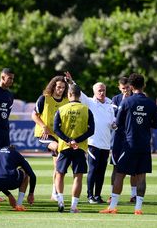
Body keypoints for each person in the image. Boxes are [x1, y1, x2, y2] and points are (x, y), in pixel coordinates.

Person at [100, 73, 157, 215]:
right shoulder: (151, 103)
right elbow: (155, 124)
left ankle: (112, 207)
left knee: (120, 174)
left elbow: (118, 123)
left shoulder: (126, 102)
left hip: (129, 144)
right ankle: (138, 209)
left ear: (131, 87)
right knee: (141, 176)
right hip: (144, 145)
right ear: (144, 85)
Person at [65, 72, 116, 204]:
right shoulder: (89, 102)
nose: (102, 92)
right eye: (99, 90)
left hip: (105, 144)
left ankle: (98, 195)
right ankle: (90, 196)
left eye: (104, 90)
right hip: (93, 142)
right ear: (94, 92)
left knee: (101, 171)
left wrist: (114, 125)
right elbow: (79, 93)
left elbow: (112, 122)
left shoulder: (110, 104)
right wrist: (71, 82)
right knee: (93, 170)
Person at [53, 84, 95, 213]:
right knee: (78, 176)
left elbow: (56, 129)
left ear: (69, 95)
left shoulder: (61, 109)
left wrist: (68, 140)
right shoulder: (86, 109)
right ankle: (73, 206)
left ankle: (60, 201)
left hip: (64, 147)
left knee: (59, 174)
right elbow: (91, 131)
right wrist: (76, 140)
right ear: (79, 95)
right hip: (80, 148)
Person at [32, 75, 68, 201]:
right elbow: (34, 115)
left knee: (58, 165)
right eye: (58, 87)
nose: (61, 90)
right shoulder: (44, 99)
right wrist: (43, 126)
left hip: (59, 136)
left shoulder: (66, 101)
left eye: (63, 87)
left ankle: (54, 193)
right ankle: (56, 193)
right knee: (58, 148)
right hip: (45, 135)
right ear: (53, 86)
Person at [0, 145, 36, 212]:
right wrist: (31, 193)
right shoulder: (16, 154)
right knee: (25, 172)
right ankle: (19, 205)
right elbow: (32, 175)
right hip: (11, 181)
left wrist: (9, 196)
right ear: (13, 149)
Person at [110, 76, 138, 203]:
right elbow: (115, 117)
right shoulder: (116, 99)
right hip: (118, 138)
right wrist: (124, 101)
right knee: (116, 167)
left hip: (131, 137)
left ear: (131, 87)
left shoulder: (136, 99)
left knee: (134, 168)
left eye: (127, 88)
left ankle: (134, 194)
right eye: (123, 88)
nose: (125, 90)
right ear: (119, 88)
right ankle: (113, 194)